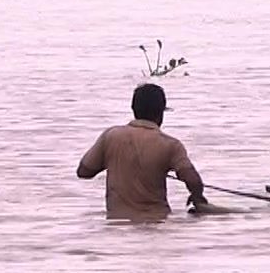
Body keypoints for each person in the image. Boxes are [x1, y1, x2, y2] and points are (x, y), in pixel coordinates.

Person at [77, 83, 212, 220]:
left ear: (133, 109)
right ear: (161, 112)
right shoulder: (170, 145)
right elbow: (192, 179)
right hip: (158, 222)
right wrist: (197, 196)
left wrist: (111, 161)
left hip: (117, 225)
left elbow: (83, 172)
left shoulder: (110, 136)